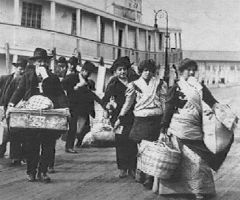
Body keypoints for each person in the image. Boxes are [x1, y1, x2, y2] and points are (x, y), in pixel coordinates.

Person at [155, 58, 233, 200]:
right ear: (181, 71)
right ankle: (176, 191)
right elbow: (168, 110)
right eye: (187, 70)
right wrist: (163, 129)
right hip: (178, 129)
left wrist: (224, 115)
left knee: (199, 162)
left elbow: (213, 102)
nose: (190, 72)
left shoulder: (200, 87)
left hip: (195, 129)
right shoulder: (176, 87)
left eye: (193, 70)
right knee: (181, 161)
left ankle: (199, 190)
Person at [7, 48, 68, 183]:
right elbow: (20, 91)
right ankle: (31, 171)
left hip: (48, 114)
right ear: (34, 63)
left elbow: (59, 94)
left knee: (48, 145)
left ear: (47, 63)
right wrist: (11, 104)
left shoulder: (52, 78)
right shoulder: (28, 76)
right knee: (31, 145)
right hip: (32, 114)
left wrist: (65, 108)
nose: (41, 64)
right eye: (38, 61)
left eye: (43, 61)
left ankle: (43, 171)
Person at [117, 59, 167, 189]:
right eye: (145, 70)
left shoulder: (160, 83)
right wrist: (121, 116)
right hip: (140, 119)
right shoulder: (133, 85)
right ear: (140, 71)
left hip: (156, 118)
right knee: (142, 148)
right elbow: (128, 102)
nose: (147, 73)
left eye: (150, 70)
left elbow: (164, 102)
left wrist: (166, 120)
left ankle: (150, 176)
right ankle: (143, 172)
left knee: (154, 149)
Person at [102, 56, 138, 178]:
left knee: (132, 142)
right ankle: (122, 168)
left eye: (124, 69)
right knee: (121, 142)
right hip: (118, 118)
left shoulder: (134, 83)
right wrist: (108, 106)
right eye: (119, 69)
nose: (122, 72)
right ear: (115, 71)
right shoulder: (113, 84)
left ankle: (132, 168)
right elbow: (104, 100)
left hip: (132, 116)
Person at [62, 60, 103, 153]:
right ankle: (69, 146)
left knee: (86, 127)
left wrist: (102, 103)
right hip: (72, 106)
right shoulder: (72, 77)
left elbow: (92, 95)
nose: (89, 75)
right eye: (88, 73)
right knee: (73, 127)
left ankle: (78, 142)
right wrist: (75, 87)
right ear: (83, 70)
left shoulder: (88, 82)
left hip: (84, 107)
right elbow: (62, 87)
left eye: (90, 73)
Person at [0, 58, 27, 161]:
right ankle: (1, 152)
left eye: (23, 69)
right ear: (15, 68)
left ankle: (15, 156)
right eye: (20, 69)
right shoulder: (5, 78)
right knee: (3, 131)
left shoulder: (24, 80)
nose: (22, 71)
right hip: (3, 108)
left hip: (17, 109)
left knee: (16, 132)